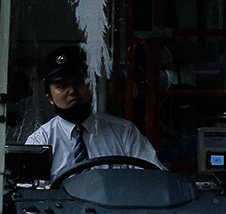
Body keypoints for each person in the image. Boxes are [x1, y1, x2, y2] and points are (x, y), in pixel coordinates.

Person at [25, 45, 159, 177]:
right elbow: (28, 193)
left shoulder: (124, 133)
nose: (72, 91)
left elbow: (155, 178)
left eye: (79, 82)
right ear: (49, 98)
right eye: (62, 86)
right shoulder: (40, 141)